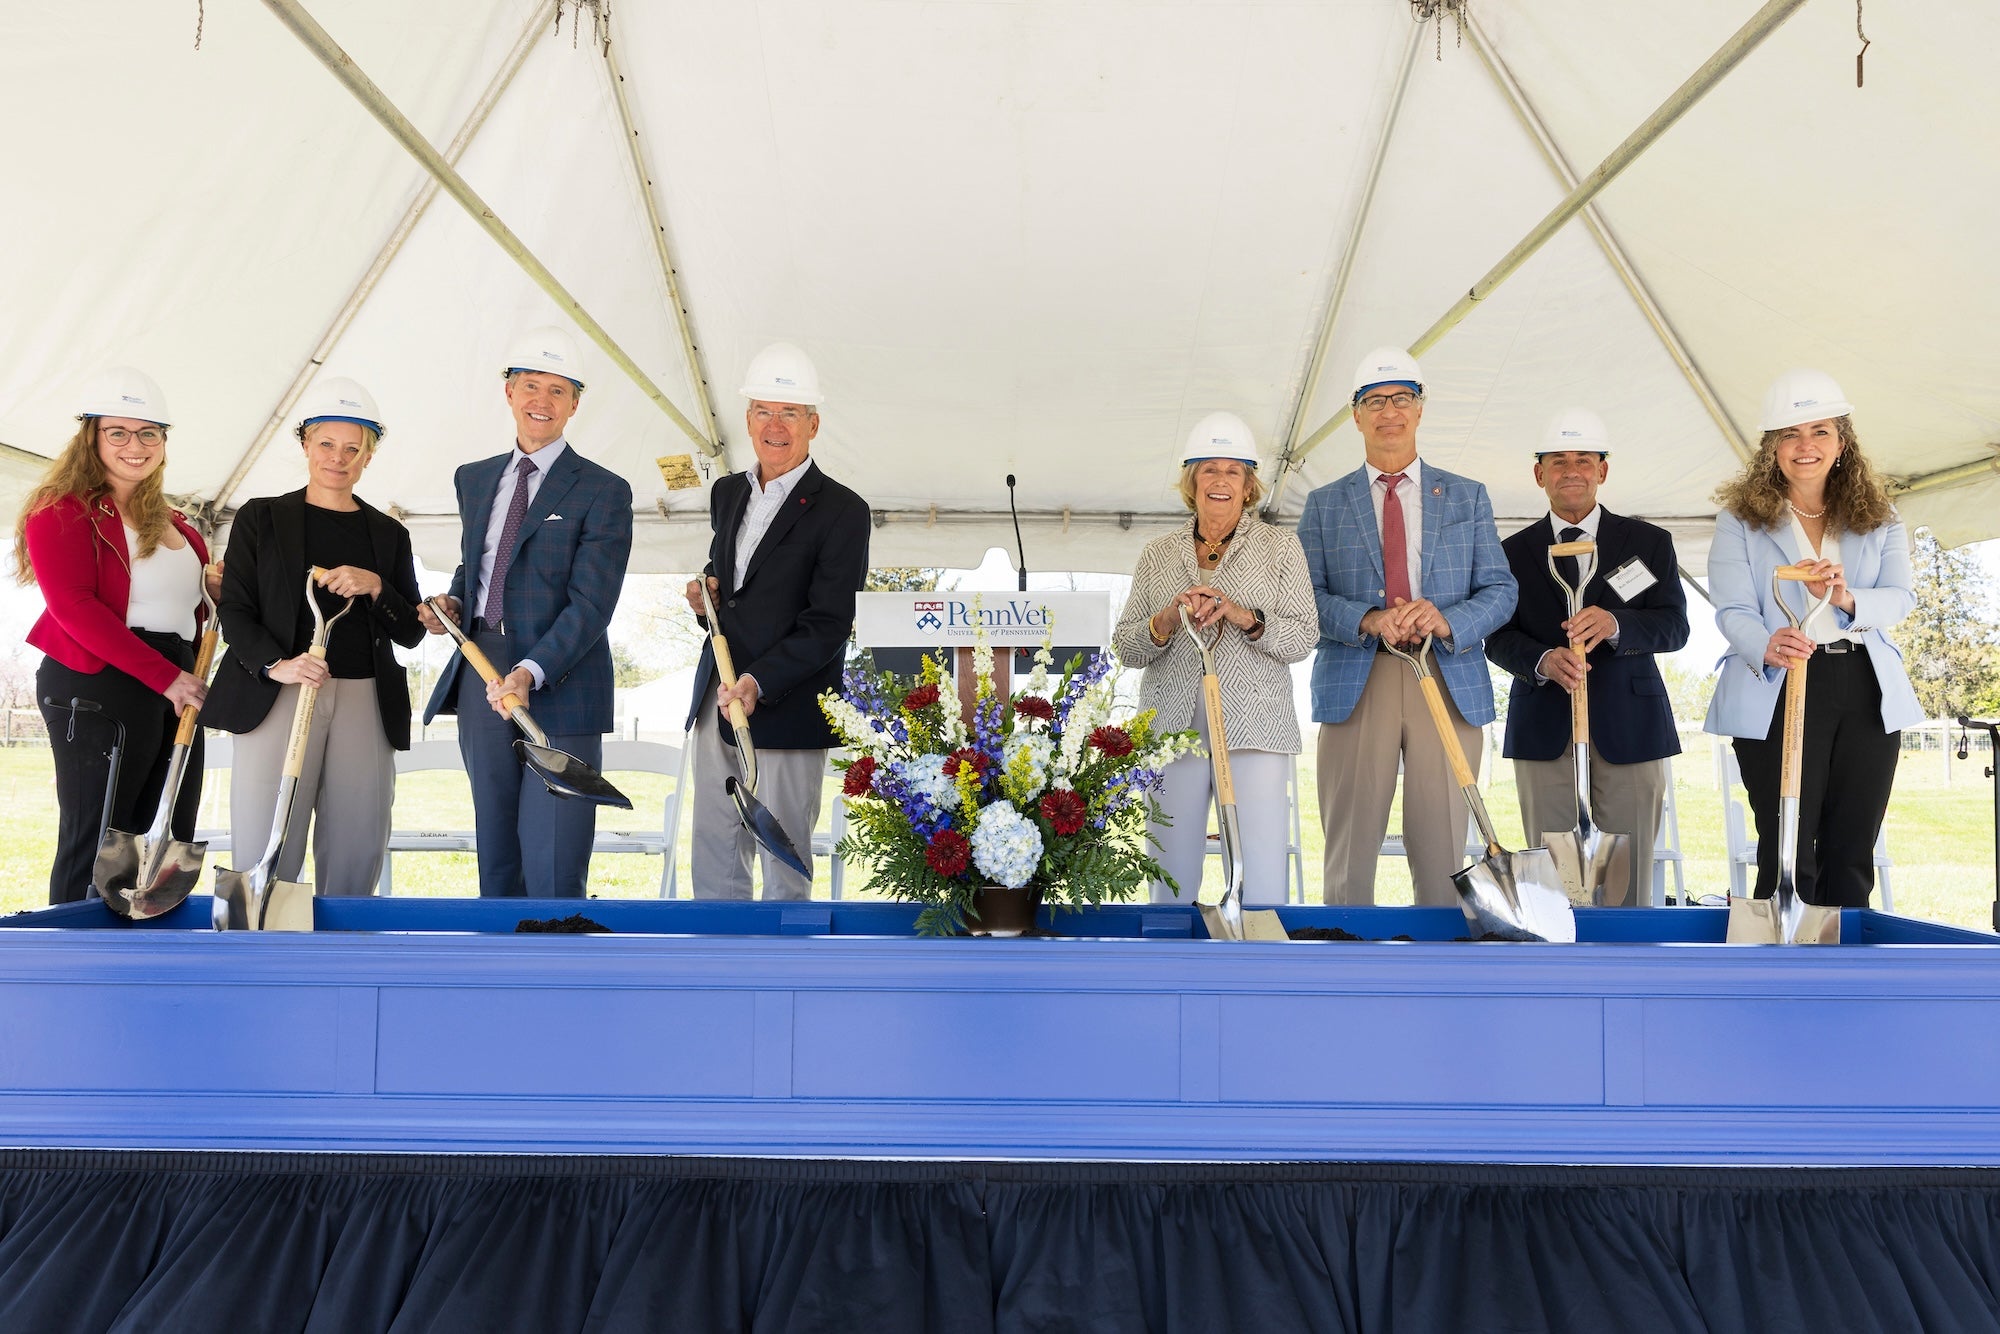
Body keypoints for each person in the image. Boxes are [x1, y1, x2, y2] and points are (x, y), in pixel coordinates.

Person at [1296, 347, 1517, 906]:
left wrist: (1446, 617)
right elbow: (1303, 597)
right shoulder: (1323, 504)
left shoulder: (1468, 496)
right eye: (1374, 401)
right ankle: (1344, 964)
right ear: (1356, 415)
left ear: (1420, 409)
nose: (1388, 411)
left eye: (1401, 399)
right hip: (1357, 676)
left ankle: (1440, 974)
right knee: (1348, 850)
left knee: (1444, 847)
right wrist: (1367, 618)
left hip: (1446, 678)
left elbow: (1501, 590)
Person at [419, 327, 634, 898]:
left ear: (575, 404)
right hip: (480, 669)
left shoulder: (603, 491)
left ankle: (559, 976)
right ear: (509, 392)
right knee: (496, 847)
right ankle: (498, 976)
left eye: (557, 390)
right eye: (531, 386)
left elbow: (592, 604)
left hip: (561, 676)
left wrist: (531, 670)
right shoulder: (475, 478)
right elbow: (479, 568)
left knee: (555, 854)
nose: (542, 400)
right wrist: (453, 603)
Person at [1704, 370, 1920, 908]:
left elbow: (1900, 596)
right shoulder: (1741, 520)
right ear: (1771, 449)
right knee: (1787, 845)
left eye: (1820, 431)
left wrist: (1849, 600)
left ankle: (1848, 974)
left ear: (1842, 442)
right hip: (1779, 682)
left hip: (1865, 685)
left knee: (1852, 847)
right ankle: (1777, 968)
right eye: (1790, 434)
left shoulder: (1880, 516)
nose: (1806, 447)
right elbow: (1731, 608)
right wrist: (1766, 642)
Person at [204, 379, 424, 896]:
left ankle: (344, 961)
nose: (338, 458)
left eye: (353, 448)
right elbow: (234, 608)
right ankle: (262, 953)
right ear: (305, 444)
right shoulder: (261, 518)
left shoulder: (389, 534)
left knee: (357, 841)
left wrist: (376, 586)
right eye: (326, 444)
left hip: (364, 697)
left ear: (369, 456)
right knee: (266, 839)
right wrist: (275, 664)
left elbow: (411, 630)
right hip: (278, 690)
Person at [16, 368, 217, 904]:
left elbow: (190, 608)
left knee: (167, 831)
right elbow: (74, 607)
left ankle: (149, 959)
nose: (136, 445)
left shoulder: (179, 524)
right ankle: (77, 966)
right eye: (119, 433)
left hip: (175, 678)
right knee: (101, 839)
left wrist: (212, 586)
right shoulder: (62, 511)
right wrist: (166, 678)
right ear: (92, 437)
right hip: (100, 677)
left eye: (149, 433)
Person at [682, 343, 870, 900]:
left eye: (789, 413)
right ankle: (719, 982)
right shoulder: (728, 493)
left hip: (788, 708)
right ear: (747, 420)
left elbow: (830, 623)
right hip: (717, 698)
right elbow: (736, 593)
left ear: (813, 423)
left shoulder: (843, 510)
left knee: (783, 866)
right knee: (715, 859)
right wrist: (707, 600)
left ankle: (784, 984)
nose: (775, 425)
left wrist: (759, 682)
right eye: (763, 411)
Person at [1484, 408, 1689, 907]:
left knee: (1631, 880)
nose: (1571, 470)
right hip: (1544, 728)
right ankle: (1560, 976)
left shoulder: (1648, 543)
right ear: (1539, 474)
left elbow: (1674, 626)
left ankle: (1629, 974)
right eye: (1557, 461)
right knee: (1553, 881)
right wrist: (1541, 660)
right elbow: (1496, 635)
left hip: (1632, 726)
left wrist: (1617, 624)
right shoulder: (1508, 554)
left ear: (1603, 470)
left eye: (1583, 460)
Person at [1112, 412, 1317, 906]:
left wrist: (1245, 617)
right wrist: (1164, 621)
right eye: (1209, 469)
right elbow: (1126, 645)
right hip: (1171, 727)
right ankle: (1167, 962)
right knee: (1168, 868)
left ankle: (1256, 962)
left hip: (1256, 725)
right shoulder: (1158, 554)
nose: (1220, 481)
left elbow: (1304, 635)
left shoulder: (1281, 547)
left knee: (1261, 865)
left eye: (1233, 471)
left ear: (1249, 486)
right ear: (1191, 481)